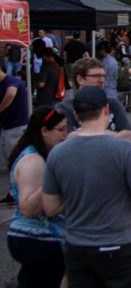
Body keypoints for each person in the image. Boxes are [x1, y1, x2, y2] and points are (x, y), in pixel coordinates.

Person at [42, 86, 131, 286]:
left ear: (76, 115)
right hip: (121, 245)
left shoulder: (58, 153)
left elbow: (50, 207)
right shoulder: (124, 150)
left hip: (78, 247)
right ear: (106, 111)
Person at [6, 106, 67, 287]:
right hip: (37, 239)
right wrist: (55, 177)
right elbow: (28, 208)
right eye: (60, 130)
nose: (65, 135)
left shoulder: (39, 155)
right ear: (44, 131)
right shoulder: (34, 161)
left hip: (37, 240)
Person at [59, 58, 131, 141]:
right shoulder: (64, 109)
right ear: (80, 79)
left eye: (103, 76)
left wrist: (87, 134)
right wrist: (112, 135)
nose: (102, 80)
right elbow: (68, 139)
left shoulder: (112, 104)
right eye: (96, 76)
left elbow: (129, 135)